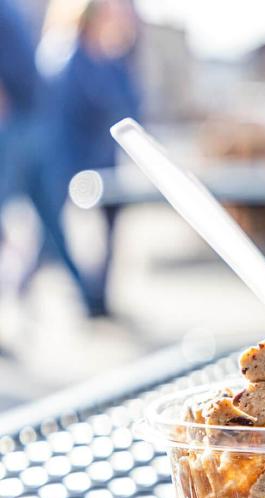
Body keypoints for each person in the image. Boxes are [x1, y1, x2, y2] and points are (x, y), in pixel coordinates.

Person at [38, 0, 141, 316]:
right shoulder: (66, 59)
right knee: (56, 237)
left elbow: (131, 107)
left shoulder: (112, 61)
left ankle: (99, 298)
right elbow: (60, 117)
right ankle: (80, 295)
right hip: (74, 163)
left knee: (109, 232)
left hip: (105, 162)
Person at [0, 0, 100, 316]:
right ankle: (88, 298)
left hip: (22, 125)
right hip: (26, 124)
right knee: (49, 221)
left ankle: (88, 297)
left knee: (50, 222)